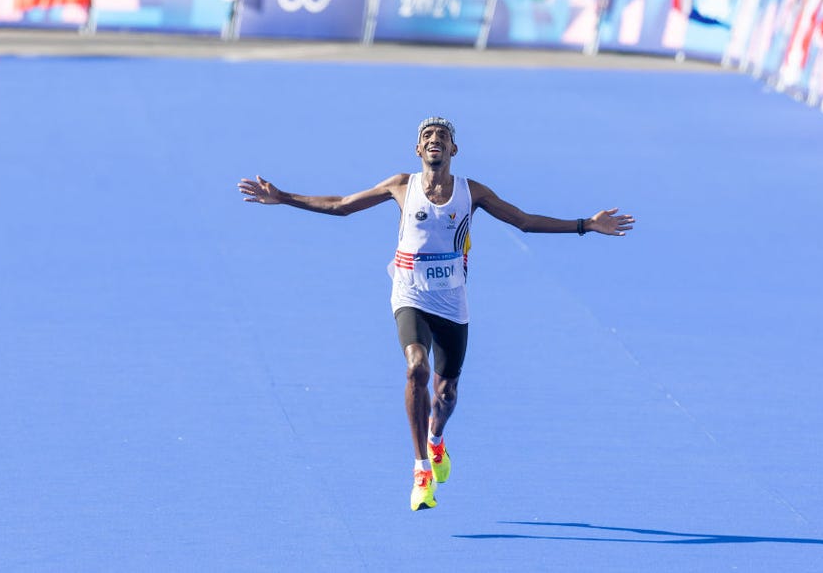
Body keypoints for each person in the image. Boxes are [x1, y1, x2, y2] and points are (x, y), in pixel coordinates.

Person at [237, 116, 635, 511]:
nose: (434, 140)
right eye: (427, 135)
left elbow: (525, 222)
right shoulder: (400, 185)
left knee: (445, 394)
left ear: (452, 150)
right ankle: (421, 469)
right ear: (418, 149)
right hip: (409, 294)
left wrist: (587, 224)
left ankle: (437, 438)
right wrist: (284, 196)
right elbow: (342, 206)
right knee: (416, 369)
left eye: (442, 136)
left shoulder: (471, 192)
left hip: (451, 302)